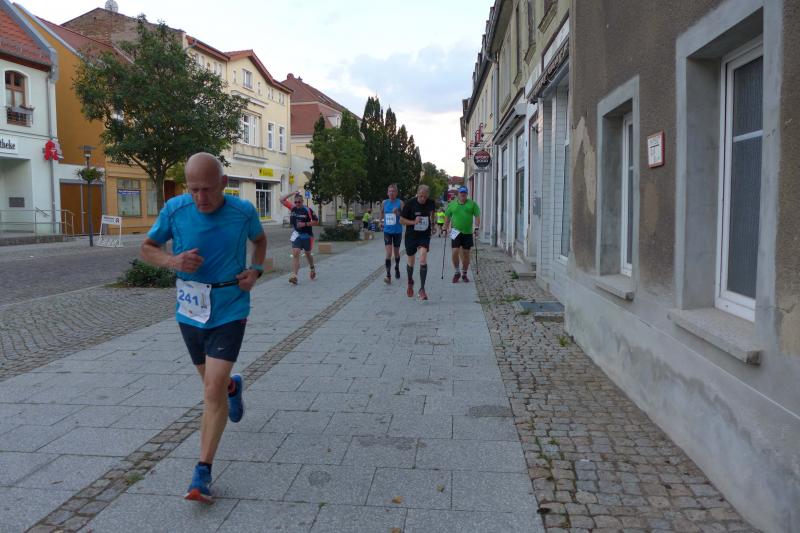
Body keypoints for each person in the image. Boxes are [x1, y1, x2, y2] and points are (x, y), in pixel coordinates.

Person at [140, 152, 266, 504]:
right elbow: (147, 247)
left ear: (224, 183)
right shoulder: (175, 210)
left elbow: (260, 241)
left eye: (208, 189)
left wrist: (255, 271)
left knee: (210, 391)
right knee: (214, 385)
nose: (200, 197)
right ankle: (232, 387)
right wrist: (172, 260)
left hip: (230, 306)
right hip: (190, 312)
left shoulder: (243, 211)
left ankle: (202, 472)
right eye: (193, 189)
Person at [400, 184, 436, 300]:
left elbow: (432, 213)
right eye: (421, 196)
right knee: (411, 261)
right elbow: (401, 220)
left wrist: (433, 224)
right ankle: (410, 281)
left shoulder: (431, 203)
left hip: (424, 235)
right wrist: (413, 222)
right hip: (411, 235)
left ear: (428, 196)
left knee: (423, 258)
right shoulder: (410, 204)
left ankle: (422, 289)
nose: (423, 199)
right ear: (417, 194)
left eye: (425, 197)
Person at [444, 186, 481, 283]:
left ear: (467, 194)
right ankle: (457, 272)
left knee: (466, 254)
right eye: (461, 193)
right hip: (455, 231)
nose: (463, 194)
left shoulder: (472, 204)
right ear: (458, 194)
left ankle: (464, 273)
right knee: (455, 251)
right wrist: (444, 227)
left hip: (467, 232)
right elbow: (447, 216)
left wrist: (477, 227)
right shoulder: (452, 204)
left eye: (464, 193)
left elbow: (477, 216)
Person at [281, 191, 319, 284]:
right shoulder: (293, 208)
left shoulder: (308, 210)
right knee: (295, 253)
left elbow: (316, 221)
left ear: (302, 201)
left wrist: (305, 224)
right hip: (297, 235)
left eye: (299, 202)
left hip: (307, 235)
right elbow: (281, 199)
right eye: (296, 202)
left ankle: (312, 268)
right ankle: (294, 276)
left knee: (307, 254)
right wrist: (292, 193)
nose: (297, 204)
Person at [380, 184, 404, 283]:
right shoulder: (384, 202)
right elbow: (382, 213)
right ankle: (388, 275)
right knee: (389, 253)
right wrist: (381, 221)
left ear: (396, 193)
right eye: (390, 191)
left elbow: (404, 217)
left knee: (397, 252)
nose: (391, 193)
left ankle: (397, 267)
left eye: (393, 191)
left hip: (397, 231)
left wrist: (398, 213)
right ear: (387, 193)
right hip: (387, 231)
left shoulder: (400, 203)